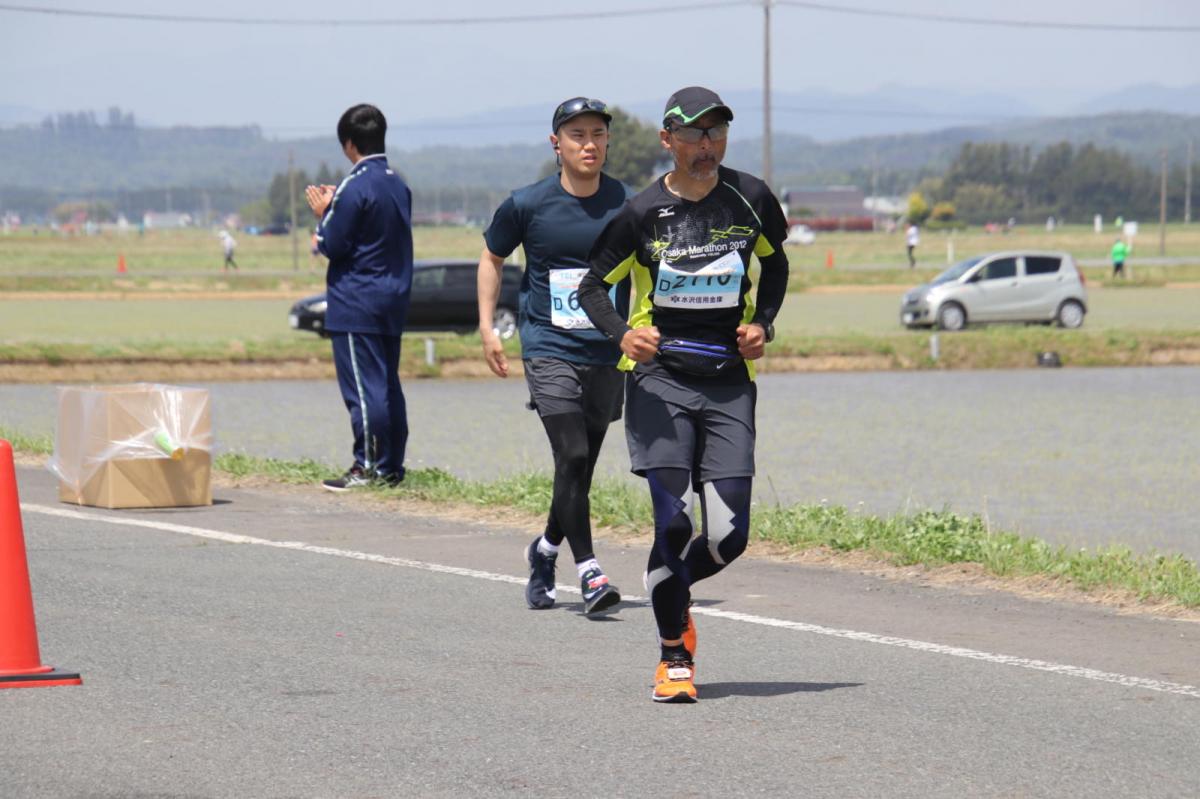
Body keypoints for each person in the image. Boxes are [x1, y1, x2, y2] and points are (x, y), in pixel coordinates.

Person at [578, 86, 789, 703]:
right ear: (668, 140)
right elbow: (594, 286)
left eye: (716, 133)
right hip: (659, 381)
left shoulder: (751, 199)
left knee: (728, 537)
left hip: (728, 383)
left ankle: (670, 585)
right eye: (693, 135)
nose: (707, 146)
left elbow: (775, 265)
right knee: (672, 522)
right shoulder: (641, 213)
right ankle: (674, 654)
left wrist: (764, 323)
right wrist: (625, 333)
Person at [477, 98, 630, 616]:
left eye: (598, 134)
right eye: (577, 135)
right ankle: (590, 573)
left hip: (608, 350)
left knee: (576, 471)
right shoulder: (527, 204)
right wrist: (487, 327)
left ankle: (544, 551)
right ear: (556, 144)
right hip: (548, 346)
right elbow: (492, 257)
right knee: (573, 455)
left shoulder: (629, 204)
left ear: (608, 141)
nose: (589, 144)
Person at [305, 104, 413, 492]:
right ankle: (390, 466)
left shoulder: (356, 183)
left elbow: (332, 243)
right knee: (386, 385)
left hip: (357, 300)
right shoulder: (396, 182)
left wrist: (323, 212)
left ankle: (366, 465)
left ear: (348, 144)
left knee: (363, 390)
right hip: (393, 296)